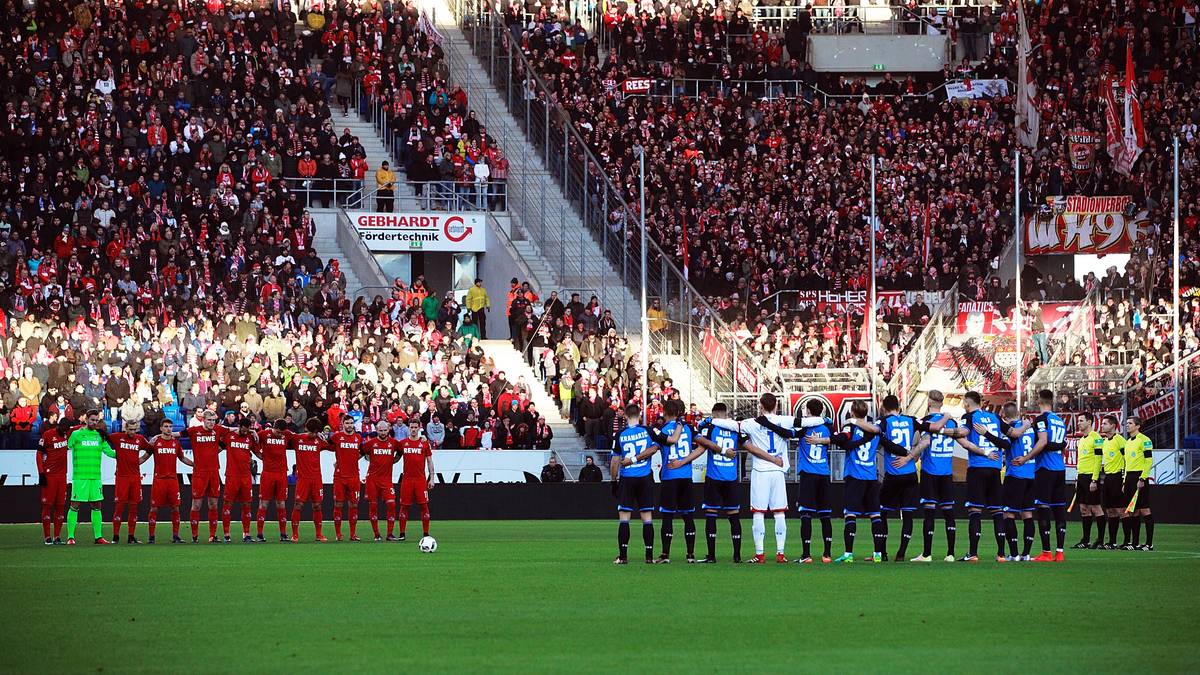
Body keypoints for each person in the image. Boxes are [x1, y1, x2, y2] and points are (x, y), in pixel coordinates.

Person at [709, 393, 815, 564]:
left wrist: (711, 420)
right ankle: (780, 553)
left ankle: (760, 554)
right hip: (778, 470)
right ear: (776, 405)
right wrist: (824, 420)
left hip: (760, 471)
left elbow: (732, 425)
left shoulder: (751, 423)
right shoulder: (784, 420)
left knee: (758, 512)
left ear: (761, 406)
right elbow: (807, 422)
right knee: (779, 512)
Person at [846, 395, 946, 561]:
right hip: (910, 474)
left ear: (884, 408)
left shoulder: (884, 421)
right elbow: (934, 427)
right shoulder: (911, 420)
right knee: (907, 515)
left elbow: (873, 430)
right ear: (899, 406)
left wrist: (852, 421)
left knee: (880, 513)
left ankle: (881, 553)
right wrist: (947, 417)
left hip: (893, 474)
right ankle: (901, 554)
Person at [755, 399, 834, 563]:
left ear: (808, 412)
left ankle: (806, 555)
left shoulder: (804, 428)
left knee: (806, 514)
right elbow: (838, 439)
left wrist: (767, 424)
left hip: (808, 474)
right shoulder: (828, 427)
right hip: (824, 474)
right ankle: (827, 554)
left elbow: (786, 434)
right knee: (825, 515)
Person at [944, 391, 1011, 562]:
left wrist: (943, 429)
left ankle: (973, 553)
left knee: (975, 510)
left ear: (967, 403)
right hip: (995, 469)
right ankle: (1001, 554)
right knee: (997, 511)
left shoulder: (969, 416)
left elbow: (962, 432)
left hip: (977, 467)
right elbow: (1010, 437)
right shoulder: (995, 417)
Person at [676, 403, 747, 563]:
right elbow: (746, 444)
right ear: (726, 413)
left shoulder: (710, 428)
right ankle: (737, 556)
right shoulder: (736, 428)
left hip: (714, 477)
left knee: (711, 515)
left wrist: (683, 461)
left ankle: (712, 556)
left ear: (714, 414)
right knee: (734, 516)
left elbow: (701, 449)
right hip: (731, 477)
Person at [1016, 389, 1069, 562]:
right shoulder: (1060, 420)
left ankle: (1046, 552)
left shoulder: (1041, 419)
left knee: (1043, 509)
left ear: (1039, 401)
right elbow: (1062, 445)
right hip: (1060, 469)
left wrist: (1026, 458)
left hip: (1045, 469)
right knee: (1060, 510)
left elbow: (1043, 441)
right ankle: (1059, 552)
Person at [609, 404, 662, 564]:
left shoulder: (620, 434)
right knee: (647, 517)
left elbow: (614, 461)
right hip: (645, 477)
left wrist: (613, 481)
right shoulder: (648, 431)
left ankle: (623, 556)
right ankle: (649, 556)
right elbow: (657, 446)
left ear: (625, 416)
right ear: (640, 415)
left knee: (624, 517)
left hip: (628, 478)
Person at [916, 390, 959, 562]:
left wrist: (910, 456)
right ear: (941, 403)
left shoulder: (925, 421)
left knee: (929, 513)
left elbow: (917, 442)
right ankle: (950, 554)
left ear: (928, 402)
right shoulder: (952, 421)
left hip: (930, 471)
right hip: (946, 472)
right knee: (949, 513)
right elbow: (962, 436)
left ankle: (926, 554)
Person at [64, 409, 116, 545]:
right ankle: (70, 537)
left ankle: (98, 537)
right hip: (80, 477)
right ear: (86, 419)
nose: (94, 422)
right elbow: (65, 448)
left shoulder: (100, 437)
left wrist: (125, 451)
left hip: (95, 477)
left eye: (96, 420)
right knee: (75, 505)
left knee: (97, 505)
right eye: (92, 420)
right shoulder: (76, 435)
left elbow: (110, 453)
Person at [653, 400, 692, 563]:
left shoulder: (663, 430)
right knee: (688, 516)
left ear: (665, 412)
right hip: (686, 476)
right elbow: (702, 446)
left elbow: (653, 448)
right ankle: (690, 555)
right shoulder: (688, 428)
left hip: (670, 476)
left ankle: (665, 555)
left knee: (667, 516)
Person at [144, 418, 193, 544]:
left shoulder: (175, 443)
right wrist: (133, 464)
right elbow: (145, 456)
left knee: (175, 508)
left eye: (170, 427)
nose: (168, 429)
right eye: (166, 426)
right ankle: (151, 536)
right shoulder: (155, 442)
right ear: (161, 428)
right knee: (154, 508)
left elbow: (182, 458)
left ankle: (176, 536)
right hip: (159, 480)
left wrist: (195, 465)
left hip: (172, 481)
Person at [110, 419, 152, 544]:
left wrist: (142, 459)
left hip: (135, 478)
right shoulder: (117, 437)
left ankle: (131, 536)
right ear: (125, 428)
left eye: (135, 429)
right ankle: (116, 536)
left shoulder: (140, 439)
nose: (132, 432)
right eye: (130, 429)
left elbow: (150, 449)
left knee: (134, 507)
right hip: (122, 477)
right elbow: (103, 437)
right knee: (119, 507)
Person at [290, 418, 332, 542]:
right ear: (306, 429)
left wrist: (324, 436)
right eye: (312, 432)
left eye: (316, 432)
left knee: (317, 506)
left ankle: (319, 534)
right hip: (302, 479)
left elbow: (333, 445)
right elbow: (285, 435)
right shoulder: (297, 439)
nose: (313, 435)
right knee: (298, 505)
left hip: (316, 479)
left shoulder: (319, 440)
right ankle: (295, 534)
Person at [186, 411, 225, 543]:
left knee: (213, 504)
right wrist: (158, 436)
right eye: (209, 420)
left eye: (213, 420)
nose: (211, 423)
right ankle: (194, 536)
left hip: (214, 472)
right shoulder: (193, 431)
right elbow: (175, 434)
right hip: (199, 473)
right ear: (203, 420)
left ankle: (212, 535)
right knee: (196, 504)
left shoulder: (218, 430)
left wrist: (252, 431)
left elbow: (234, 431)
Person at [362, 420, 402, 541]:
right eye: (381, 430)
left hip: (386, 480)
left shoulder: (394, 443)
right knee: (373, 506)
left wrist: (394, 460)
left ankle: (389, 534)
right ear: (377, 430)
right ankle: (376, 534)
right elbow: (362, 453)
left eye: (385, 430)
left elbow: (400, 452)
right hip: (372, 480)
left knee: (391, 504)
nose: (383, 432)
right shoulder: (371, 443)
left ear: (388, 430)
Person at [221, 417, 259, 543]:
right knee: (228, 504)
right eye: (243, 429)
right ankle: (226, 534)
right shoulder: (229, 436)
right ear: (239, 426)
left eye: (248, 429)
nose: (245, 431)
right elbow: (219, 444)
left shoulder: (250, 437)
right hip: (232, 475)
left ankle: (246, 534)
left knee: (247, 504)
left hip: (245, 476)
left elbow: (256, 452)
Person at [397, 419, 436, 541]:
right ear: (408, 428)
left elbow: (429, 461)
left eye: (415, 427)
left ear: (419, 428)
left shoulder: (424, 443)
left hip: (420, 480)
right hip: (407, 480)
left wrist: (432, 478)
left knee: (424, 506)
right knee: (404, 506)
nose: (413, 429)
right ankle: (402, 534)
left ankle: (426, 533)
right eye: (411, 427)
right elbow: (394, 459)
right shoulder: (403, 443)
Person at [37, 417, 74, 544]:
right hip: (49, 475)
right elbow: (39, 454)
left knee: (60, 506)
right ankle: (47, 537)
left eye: (66, 430)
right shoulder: (47, 435)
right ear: (58, 426)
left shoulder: (67, 433)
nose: (64, 432)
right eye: (63, 429)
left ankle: (57, 537)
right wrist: (41, 473)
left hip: (62, 476)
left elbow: (79, 428)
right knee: (47, 506)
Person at [256, 420, 293, 542]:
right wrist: (259, 455)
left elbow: (300, 437)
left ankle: (283, 534)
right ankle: (260, 534)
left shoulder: (287, 434)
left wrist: (319, 434)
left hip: (282, 473)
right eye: (277, 432)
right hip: (267, 473)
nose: (279, 434)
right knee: (264, 504)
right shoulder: (263, 434)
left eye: (281, 433)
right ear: (273, 428)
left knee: (281, 504)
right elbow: (252, 442)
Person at [1121, 417, 1155, 551]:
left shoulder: (1145, 440)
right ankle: (1134, 543)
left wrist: (1143, 478)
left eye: (1130, 423)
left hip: (1139, 476)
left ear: (1138, 426)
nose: (1127, 425)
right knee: (1132, 511)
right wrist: (1124, 481)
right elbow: (1126, 463)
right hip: (1129, 477)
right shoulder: (1128, 442)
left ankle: (1149, 544)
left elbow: (1148, 461)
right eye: (1127, 423)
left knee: (1144, 509)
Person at [329, 416, 365, 542]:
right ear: (343, 424)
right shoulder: (336, 436)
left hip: (354, 476)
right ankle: (338, 534)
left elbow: (363, 452)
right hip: (339, 476)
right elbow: (328, 446)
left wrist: (354, 458)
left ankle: (353, 534)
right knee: (338, 504)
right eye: (347, 423)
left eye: (351, 423)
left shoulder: (358, 438)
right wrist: (338, 461)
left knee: (354, 504)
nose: (349, 425)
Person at [1073, 416, 1104, 549]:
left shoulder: (1096, 438)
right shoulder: (1081, 440)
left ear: (1089, 422)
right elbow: (1080, 461)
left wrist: (1094, 479)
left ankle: (1100, 540)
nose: (1078, 423)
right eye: (1078, 421)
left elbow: (1098, 460)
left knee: (1096, 508)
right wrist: (1077, 477)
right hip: (1081, 477)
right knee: (1084, 509)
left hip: (1091, 477)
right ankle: (1085, 540)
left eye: (1081, 421)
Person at [1098, 415, 1126, 548]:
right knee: (1109, 510)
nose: (1102, 426)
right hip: (1108, 477)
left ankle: (1127, 541)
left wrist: (1125, 477)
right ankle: (1112, 542)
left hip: (1117, 477)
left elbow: (1127, 458)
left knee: (1121, 509)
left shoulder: (1119, 440)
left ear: (1113, 425)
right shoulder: (1105, 441)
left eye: (1105, 423)